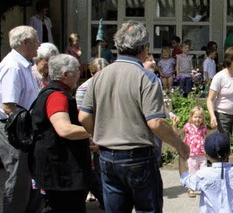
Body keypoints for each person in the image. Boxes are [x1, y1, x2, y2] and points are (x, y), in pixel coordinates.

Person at [78, 20, 190, 212]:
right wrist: (180, 145)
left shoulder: (99, 77)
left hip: (107, 154)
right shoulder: (146, 77)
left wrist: (99, 135)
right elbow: (155, 122)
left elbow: (83, 117)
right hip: (137, 155)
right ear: (144, 48)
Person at [31, 54, 92, 212]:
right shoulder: (56, 96)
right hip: (61, 173)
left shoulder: (57, 93)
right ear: (65, 75)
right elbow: (64, 129)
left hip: (60, 170)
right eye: (77, 70)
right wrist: (95, 132)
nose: (80, 73)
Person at [0, 25, 43, 213]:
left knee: (31, 180)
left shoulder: (24, 65)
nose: (38, 44)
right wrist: (27, 126)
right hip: (15, 130)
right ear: (25, 43)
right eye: (35, 40)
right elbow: (9, 106)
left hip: (24, 128)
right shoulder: (13, 66)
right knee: (19, 182)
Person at [180, 133, 233, 213]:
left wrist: (181, 155)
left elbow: (185, 179)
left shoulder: (203, 174)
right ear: (229, 153)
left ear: (205, 154)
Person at [74, 57, 109, 209]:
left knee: (104, 166)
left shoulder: (110, 86)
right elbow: (82, 116)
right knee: (91, 166)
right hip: (90, 130)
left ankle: (105, 198)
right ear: (92, 73)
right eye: (98, 74)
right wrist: (91, 136)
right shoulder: (84, 89)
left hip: (106, 130)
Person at [175, 106, 208, 198]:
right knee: (192, 172)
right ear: (191, 117)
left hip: (202, 154)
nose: (197, 119)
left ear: (203, 118)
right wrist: (174, 125)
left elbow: (206, 138)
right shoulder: (187, 126)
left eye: (200, 117)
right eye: (195, 117)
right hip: (191, 154)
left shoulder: (204, 128)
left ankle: (202, 187)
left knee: (203, 171)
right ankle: (191, 188)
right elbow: (177, 134)